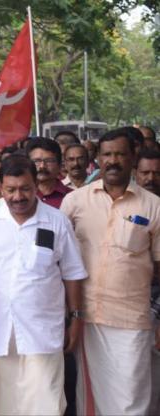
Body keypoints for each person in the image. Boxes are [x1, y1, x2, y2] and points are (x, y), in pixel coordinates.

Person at [0, 154, 87, 415]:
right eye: (10, 190)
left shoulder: (57, 221)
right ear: (0, 188)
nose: (18, 197)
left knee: (46, 402)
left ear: (36, 186)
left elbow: (72, 273)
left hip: (42, 332)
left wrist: (76, 318)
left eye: (25, 189)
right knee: (1, 404)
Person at [60, 127, 160, 415]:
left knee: (131, 400)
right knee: (89, 398)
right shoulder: (75, 202)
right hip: (85, 317)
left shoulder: (153, 207)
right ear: (98, 159)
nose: (113, 161)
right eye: (107, 154)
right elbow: (60, 262)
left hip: (131, 319)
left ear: (133, 157)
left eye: (119, 154)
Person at [25, 137, 70, 209]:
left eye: (49, 161)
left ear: (59, 165)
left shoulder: (72, 196)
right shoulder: (20, 197)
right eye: (37, 161)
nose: (42, 166)